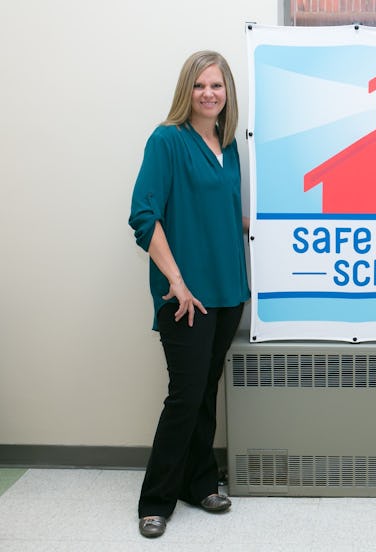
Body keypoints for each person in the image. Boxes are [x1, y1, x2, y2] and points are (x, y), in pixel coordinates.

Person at [128, 50, 250, 539]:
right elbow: (144, 215)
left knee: (204, 394)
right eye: (200, 85)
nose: (208, 94)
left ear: (227, 93)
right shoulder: (167, 141)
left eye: (217, 86)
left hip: (226, 292)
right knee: (184, 397)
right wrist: (175, 281)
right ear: (187, 91)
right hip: (186, 295)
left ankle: (200, 483)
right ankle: (155, 499)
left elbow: (218, 211)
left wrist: (265, 224)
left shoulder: (228, 144)